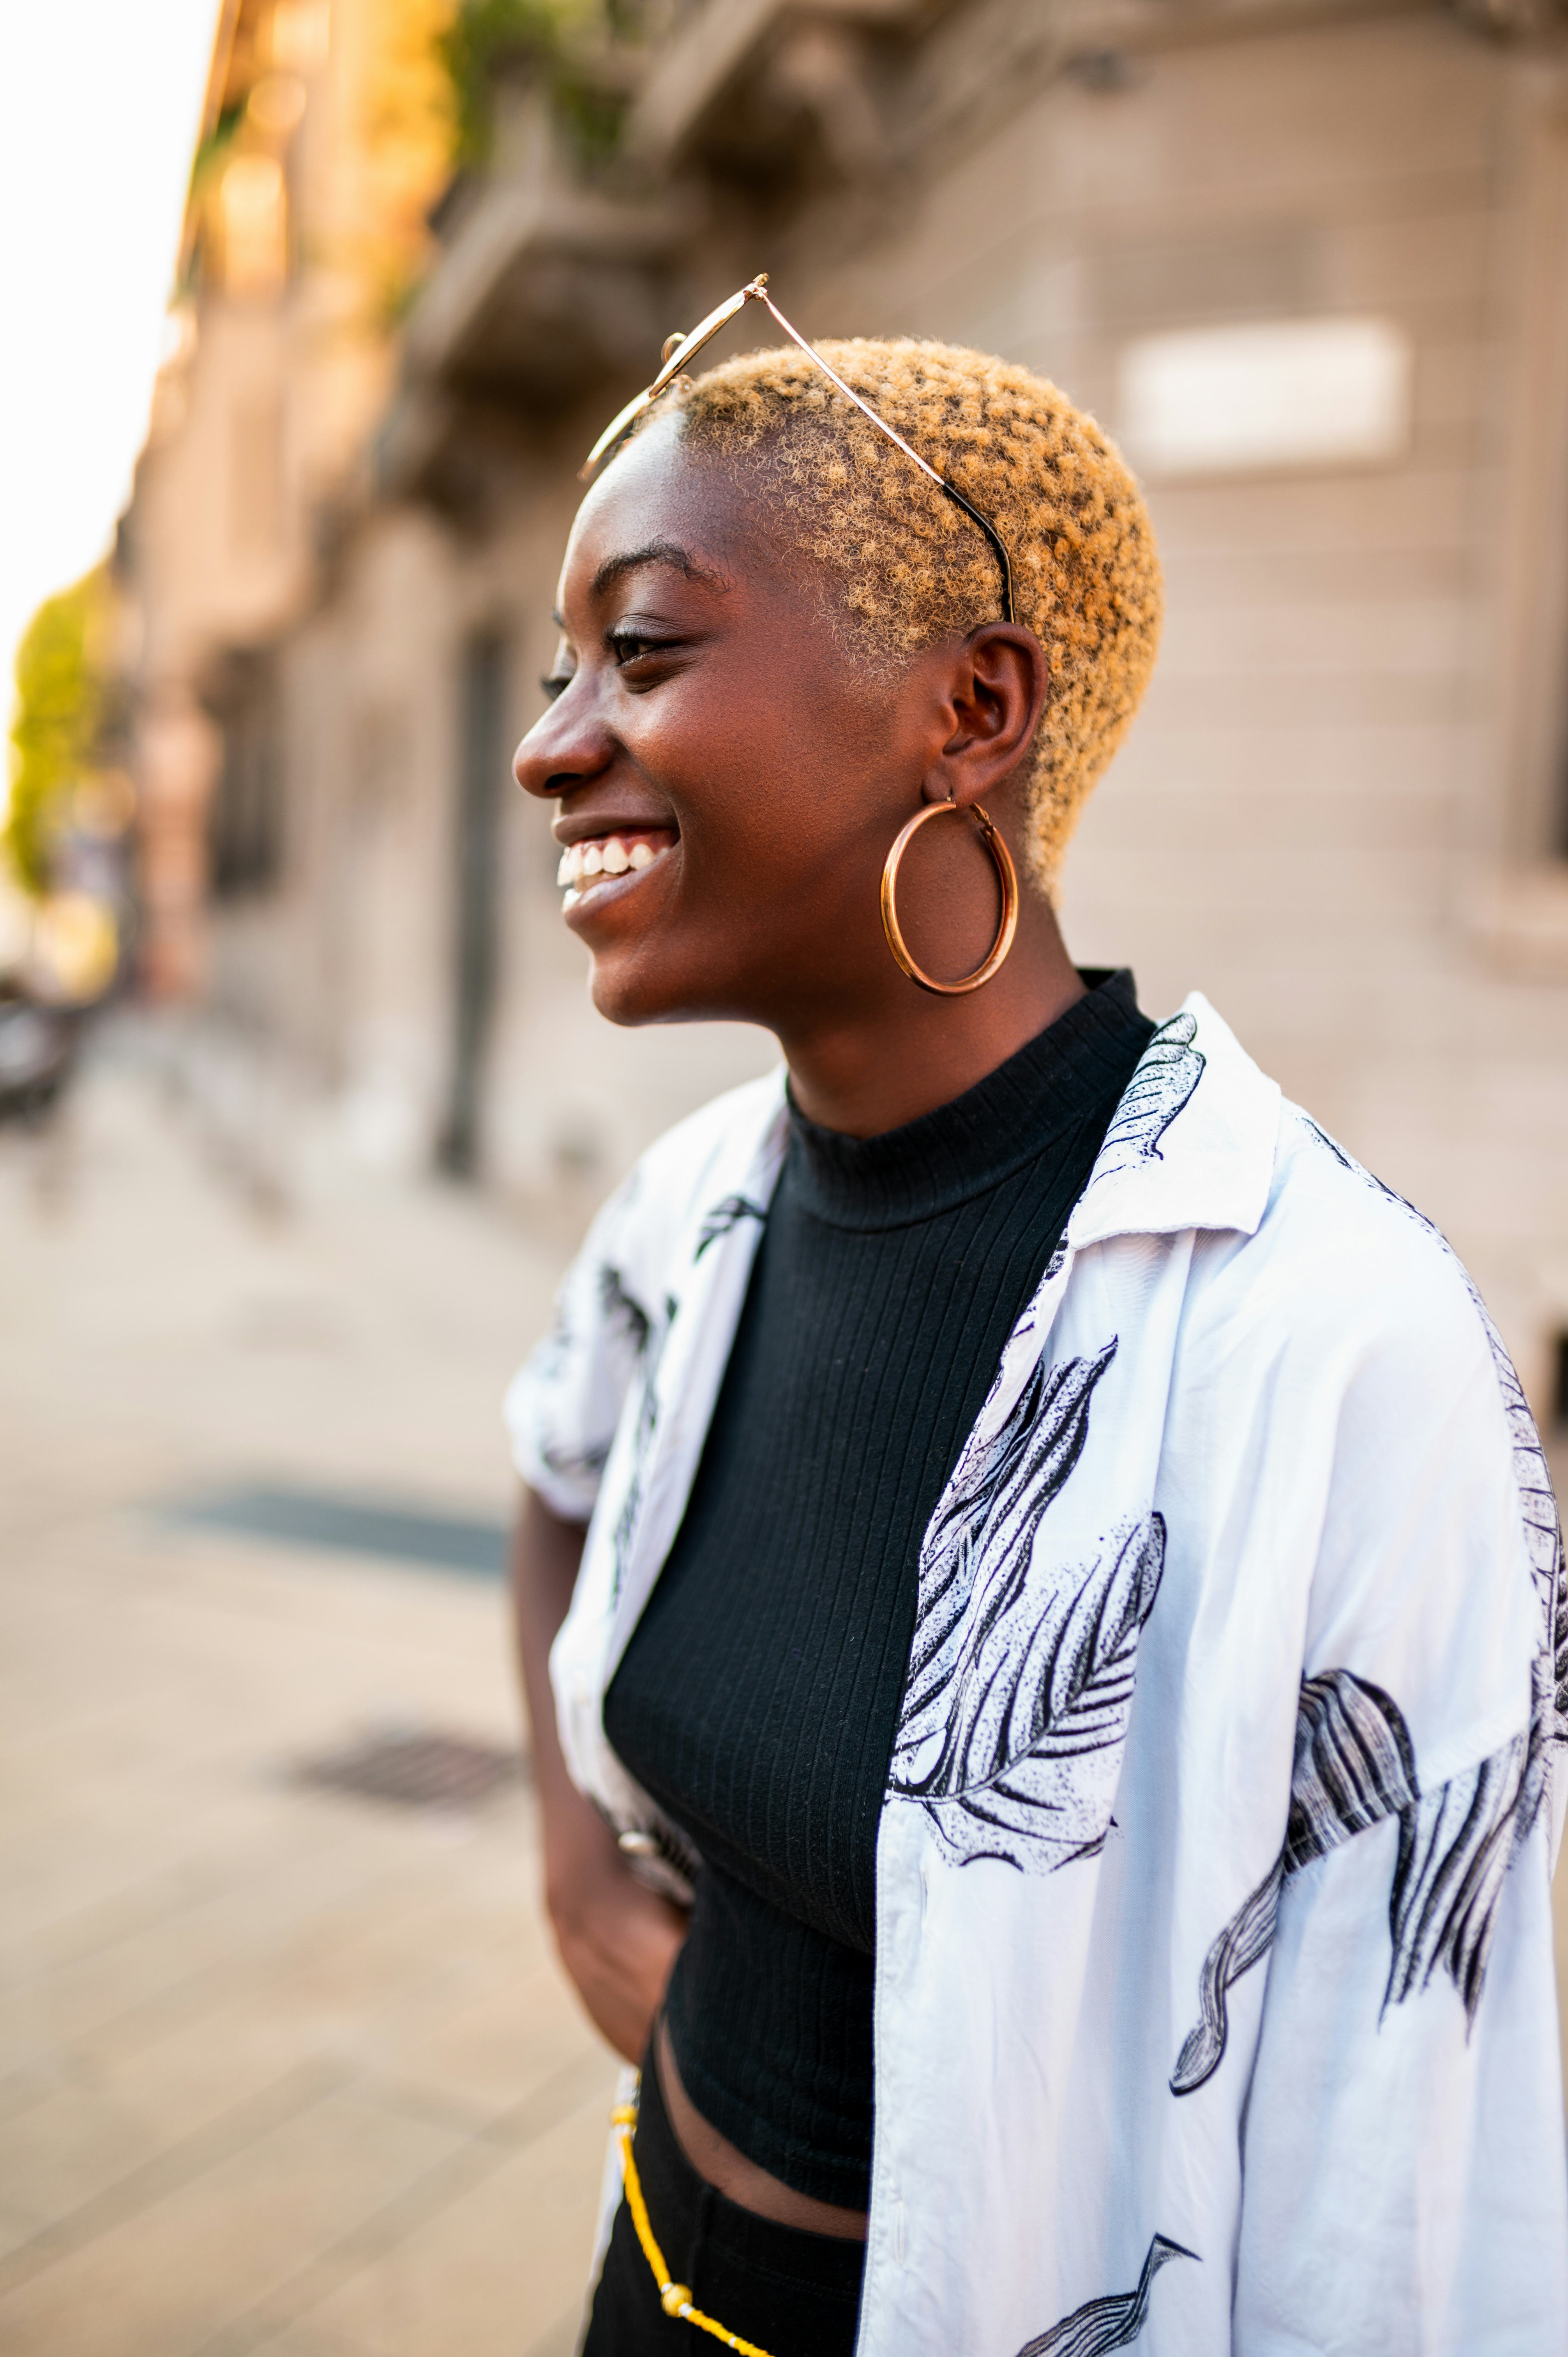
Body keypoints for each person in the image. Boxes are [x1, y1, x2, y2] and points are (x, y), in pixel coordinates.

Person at [504, 288, 1568, 2357]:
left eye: (639, 652)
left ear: (972, 709)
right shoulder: (692, 1208)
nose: (551, 744)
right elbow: (554, 1457)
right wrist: (568, 1864)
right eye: (559, 672)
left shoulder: (1332, 1337)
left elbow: (1402, 2157)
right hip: (640, 2281)